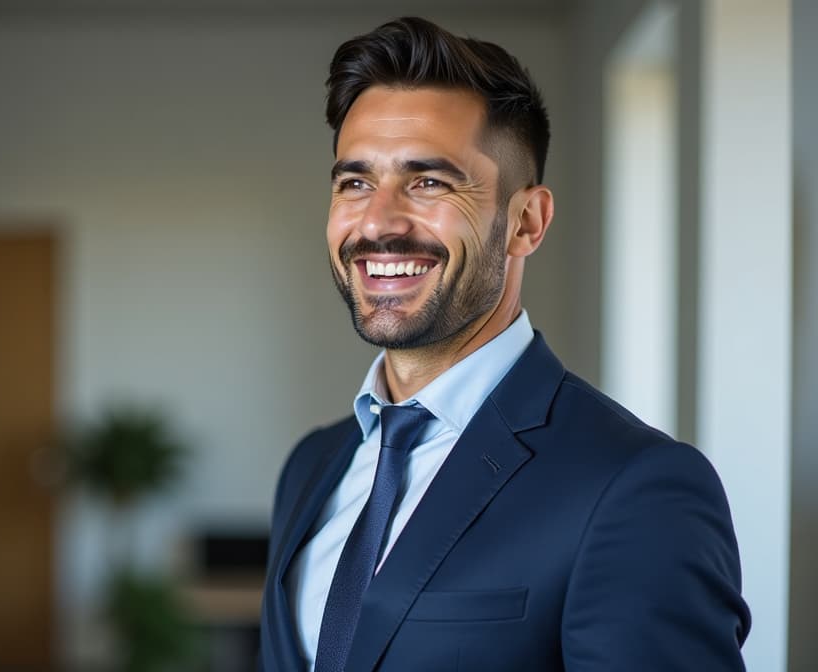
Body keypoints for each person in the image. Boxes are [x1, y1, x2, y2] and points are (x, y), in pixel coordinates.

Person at [258, 16, 750, 672]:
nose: (378, 221)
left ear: (526, 221)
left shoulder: (636, 489)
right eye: (355, 182)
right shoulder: (311, 468)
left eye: (429, 181)